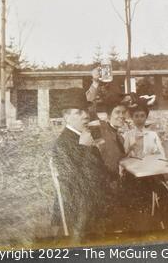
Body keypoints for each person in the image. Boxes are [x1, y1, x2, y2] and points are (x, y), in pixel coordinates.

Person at [51, 88, 113, 240]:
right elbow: (73, 180)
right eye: (78, 112)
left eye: (85, 110)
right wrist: (85, 149)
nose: (86, 115)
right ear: (66, 117)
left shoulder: (82, 135)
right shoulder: (63, 142)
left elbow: (99, 169)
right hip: (81, 209)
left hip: (95, 198)